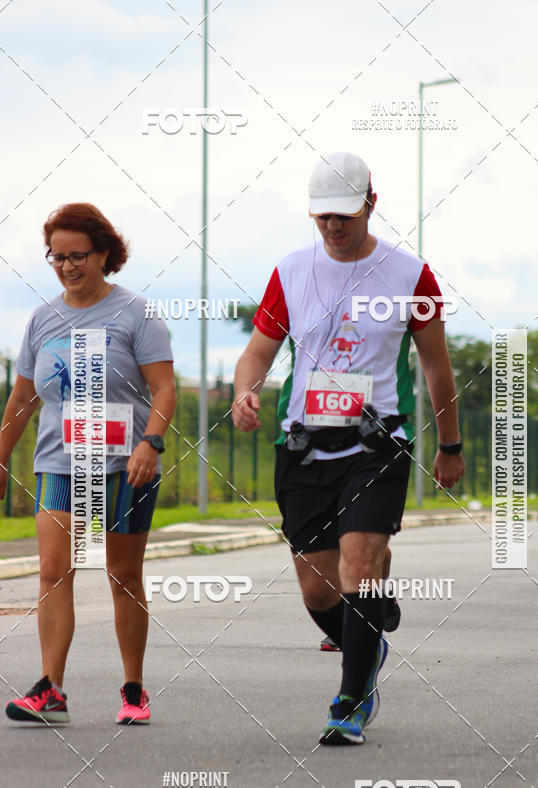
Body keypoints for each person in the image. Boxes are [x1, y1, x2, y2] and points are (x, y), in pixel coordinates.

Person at [232, 151, 465, 745]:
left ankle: (350, 699)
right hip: (304, 445)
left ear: (370, 204)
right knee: (318, 588)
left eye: (344, 215)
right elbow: (257, 352)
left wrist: (450, 444)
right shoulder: (291, 271)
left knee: (359, 561)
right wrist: (244, 392)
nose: (333, 226)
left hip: (377, 443)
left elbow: (436, 366)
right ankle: (368, 641)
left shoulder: (411, 276)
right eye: (323, 217)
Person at [1, 203, 176, 726]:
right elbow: (22, 398)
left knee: (122, 575)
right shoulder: (42, 319)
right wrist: (1, 455)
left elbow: (165, 388)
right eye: (57, 257)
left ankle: (134, 689)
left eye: (77, 256)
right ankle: (51, 689)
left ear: (103, 254)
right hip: (59, 463)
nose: (67, 267)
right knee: (53, 571)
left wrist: (151, 443)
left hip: (126, 465)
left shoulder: (136, 313)